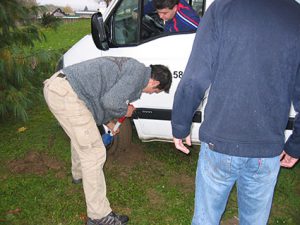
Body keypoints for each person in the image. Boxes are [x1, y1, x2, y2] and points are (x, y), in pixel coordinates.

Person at [171, 0, 300, 224]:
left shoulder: (222, 8)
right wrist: (296, 144)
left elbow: (194, 78)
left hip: (219, 144)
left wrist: (181, 124)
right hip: (266, 149)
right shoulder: (295, 14)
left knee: (205, 219)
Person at [43, 57, 172, 225]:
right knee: (94, 152)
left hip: (62, 89)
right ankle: (98, 216)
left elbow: (99, 99)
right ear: (154, 83)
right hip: (66, 94)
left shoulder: (135, 71)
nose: (150, 93)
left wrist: (110, 123)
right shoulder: (137, 75)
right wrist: (126, 110)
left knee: (83, 137)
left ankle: (79, 175)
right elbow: (110, 102)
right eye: (155, 91)